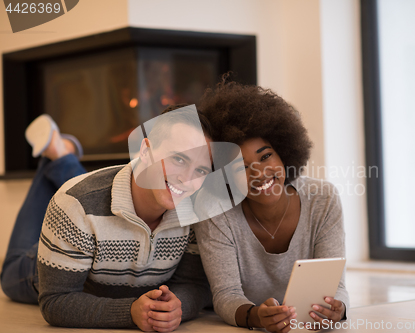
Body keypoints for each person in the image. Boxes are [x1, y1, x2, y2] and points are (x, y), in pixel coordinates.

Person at [1, 105, 213, 331]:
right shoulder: (73, 205)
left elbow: (195, 285)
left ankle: (60, 154)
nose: (187, 179)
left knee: (92, 198)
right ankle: (57, 155)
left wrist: (178, 305)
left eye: (201, 170)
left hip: (90, 224)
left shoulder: (197, 212)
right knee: (8, 275)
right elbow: (56, 300)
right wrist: (130, 312)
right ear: (145, 151)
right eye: (179, 159)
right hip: (41, 265)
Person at [193, 80, 350, 333]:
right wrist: (256, 317)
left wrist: (338, 308)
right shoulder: (215, 212)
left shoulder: (323, 198)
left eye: (266, 156)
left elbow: (336, 285)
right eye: (240, 167)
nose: (260, 173)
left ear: (284, 152)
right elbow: (225, 294)